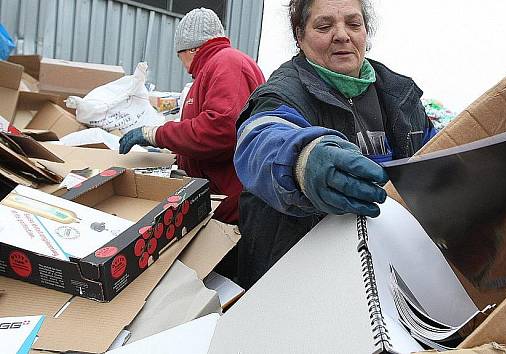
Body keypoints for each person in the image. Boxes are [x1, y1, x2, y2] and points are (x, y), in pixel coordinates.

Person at [233, 0, 437, 288]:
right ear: (299, 35)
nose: (342, 35)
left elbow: (437, 150)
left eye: (354, 24)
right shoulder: (283, 92)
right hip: (301, 278)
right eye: (324, 26)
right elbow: (259, 138)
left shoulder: (400, 96)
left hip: (388, 271)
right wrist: (303, 160)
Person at [119, 8, 266, 225]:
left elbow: (221, 129)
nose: (185, 68)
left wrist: (156, 134)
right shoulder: (216, 66)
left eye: (180, 57)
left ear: (191, 49)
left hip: (232, 205)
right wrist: (176, 157)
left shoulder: (227, 62)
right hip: (219, 198)